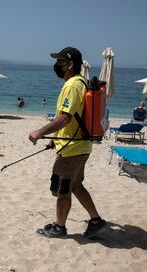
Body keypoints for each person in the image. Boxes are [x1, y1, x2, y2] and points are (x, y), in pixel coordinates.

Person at [28, 47, 107, 239]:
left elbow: (65, 118)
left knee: (63, 188)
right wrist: (55, 140)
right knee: (76, 185)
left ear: (70, 64)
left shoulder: (72, 85)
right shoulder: (81, 82)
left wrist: (40, 132)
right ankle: (96, 221)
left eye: (59, 62)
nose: (56, 65)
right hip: (79, 146)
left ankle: (59, 227)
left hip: (72, 149)